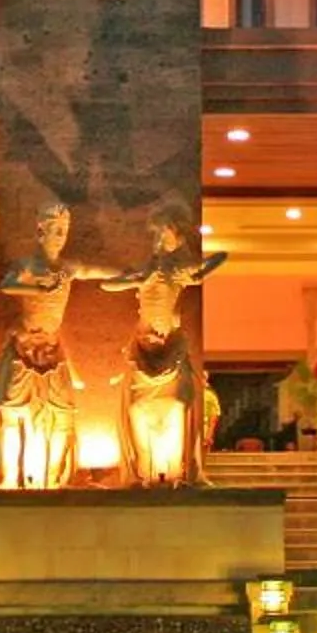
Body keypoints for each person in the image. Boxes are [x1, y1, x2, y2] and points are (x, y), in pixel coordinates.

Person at [0, 201, 106, 487]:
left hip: (52, 347)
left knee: (62, 412)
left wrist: (130, 276)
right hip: (25, 344)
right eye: (55, 229)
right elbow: (7, 285)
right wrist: (36, 287)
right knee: (12, 407)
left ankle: (53, 475)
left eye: (64, 230)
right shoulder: (28, 266)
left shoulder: (67, 269)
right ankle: (9, 476)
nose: (60, 236)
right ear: (40, 231)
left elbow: (94, 271)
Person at [101, 206, 225, 487]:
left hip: (169, 343)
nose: (157, 240)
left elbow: (221, 256)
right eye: (154, 234)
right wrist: (134, 279)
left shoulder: (180, 267)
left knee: (176, 406)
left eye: (163, 233)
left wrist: (198, 274)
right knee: (136, 408)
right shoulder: (146, 269)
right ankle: (142, 471)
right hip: (144, 345)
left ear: (176, 237)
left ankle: (176, 469)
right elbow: (108, 285)